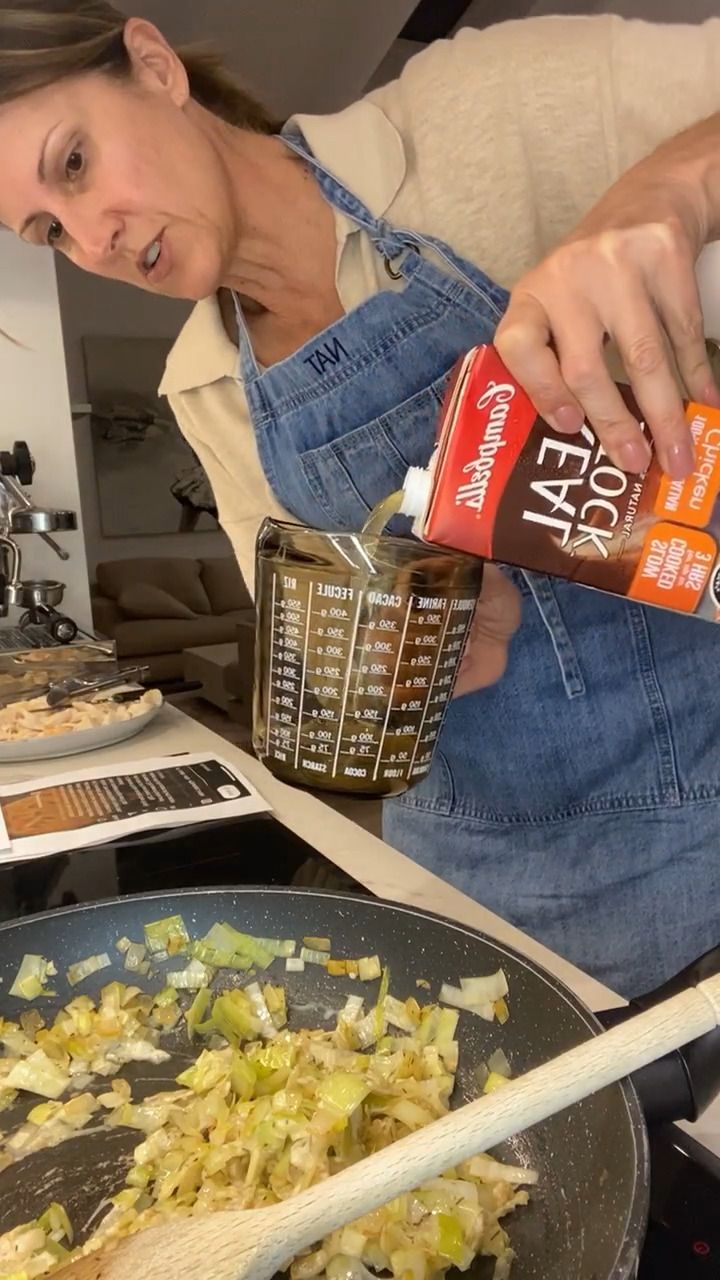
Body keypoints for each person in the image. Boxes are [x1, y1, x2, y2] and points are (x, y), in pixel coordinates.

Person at [2, 2, 720, 997]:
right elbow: (316, 657)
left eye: (74, 164)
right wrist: (394, 670)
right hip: (469, 876)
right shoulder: (205, 385)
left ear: (155, 66)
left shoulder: (490, 110)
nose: (94, 240)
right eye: (48, 231)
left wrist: (670, 188)